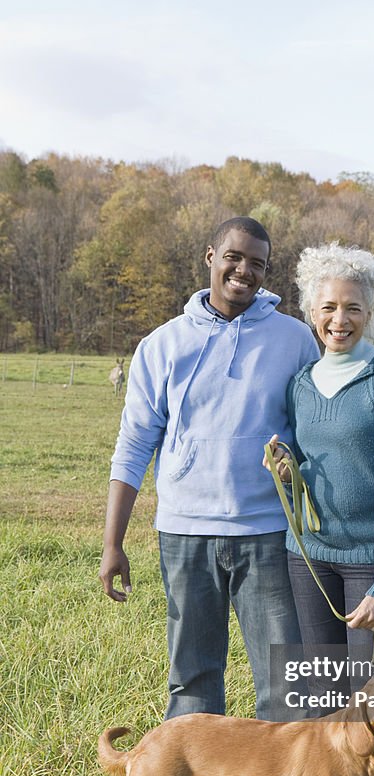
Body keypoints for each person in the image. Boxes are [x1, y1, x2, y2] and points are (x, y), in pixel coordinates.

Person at [99, 217, 320, 721]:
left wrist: (295, 466)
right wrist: (113, 544)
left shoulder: (295, 340)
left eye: (257, 264)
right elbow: (134, 445)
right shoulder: (162, 345)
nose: (244, 271)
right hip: (184, 534)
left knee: (286, 683)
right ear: (210, 257)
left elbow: (312, 434)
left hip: (266, 532)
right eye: (234, 258)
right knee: (192, 679)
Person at [268, 241, 374, 776]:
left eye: (354, 308)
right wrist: (289, 467)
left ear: (373, 312)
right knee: (325, 693)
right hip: (309, 560)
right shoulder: (302, 383)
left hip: (371, 564)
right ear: (313, 310)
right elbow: (315, 462)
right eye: (330, 307)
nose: (340, 319)